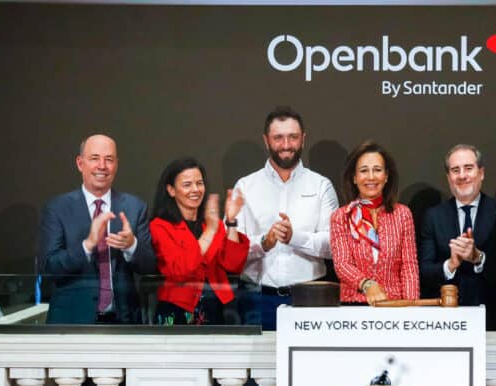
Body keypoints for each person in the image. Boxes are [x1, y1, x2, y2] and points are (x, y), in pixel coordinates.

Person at [234, 106, 339, 329]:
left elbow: (333, 245)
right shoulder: (245, 186)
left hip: (311, 298)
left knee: (312, 363)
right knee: (259, 364)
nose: (286, 145)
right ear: (266, 140)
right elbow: (232, 251)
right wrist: (265, 242)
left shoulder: (321, 185)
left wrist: (294, 237)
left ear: (303, 139)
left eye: (293, 137)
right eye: (278, 138)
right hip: (256, 299)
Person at [39, 134, 155, 324]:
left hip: (123, 322)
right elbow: (49, 268)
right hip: (72, 322)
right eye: (94, 158)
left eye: (109, 159)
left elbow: (150, 266)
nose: (102, 165)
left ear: (116, 164)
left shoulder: (135, 207)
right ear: (80, 163)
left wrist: (131, 245)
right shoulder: (57, 208)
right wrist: (87, 245)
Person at [149, 158, 249, 325]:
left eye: (199, 183)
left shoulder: (212, 223)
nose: (195, 190)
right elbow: (180, 270)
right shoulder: (160, 226)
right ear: (171, 190)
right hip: (178, 310)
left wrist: (231, 221)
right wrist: (209, 231)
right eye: (187, 185)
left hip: (217, 308)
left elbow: (233, 265)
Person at [418, 144, 496, 329]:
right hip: (445, 321)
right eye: (455, 170)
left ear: (481, 173)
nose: (462, 175)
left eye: (468, 168)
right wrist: (450, 265)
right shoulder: (433, 217)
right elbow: (424, 270)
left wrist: (478, 258)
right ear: (448, 177)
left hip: (491, 319)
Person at [330, 141, 419, 305]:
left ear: (386, 176)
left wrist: (411, 306)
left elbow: (409, 266)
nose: (371, 177)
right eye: (364, 171)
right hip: (354, 305)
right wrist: (367, 284)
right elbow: (342, 264)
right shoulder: (341, 216)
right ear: (354, 178)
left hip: (394, 305)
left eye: (377, 170)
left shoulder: (402, 214)